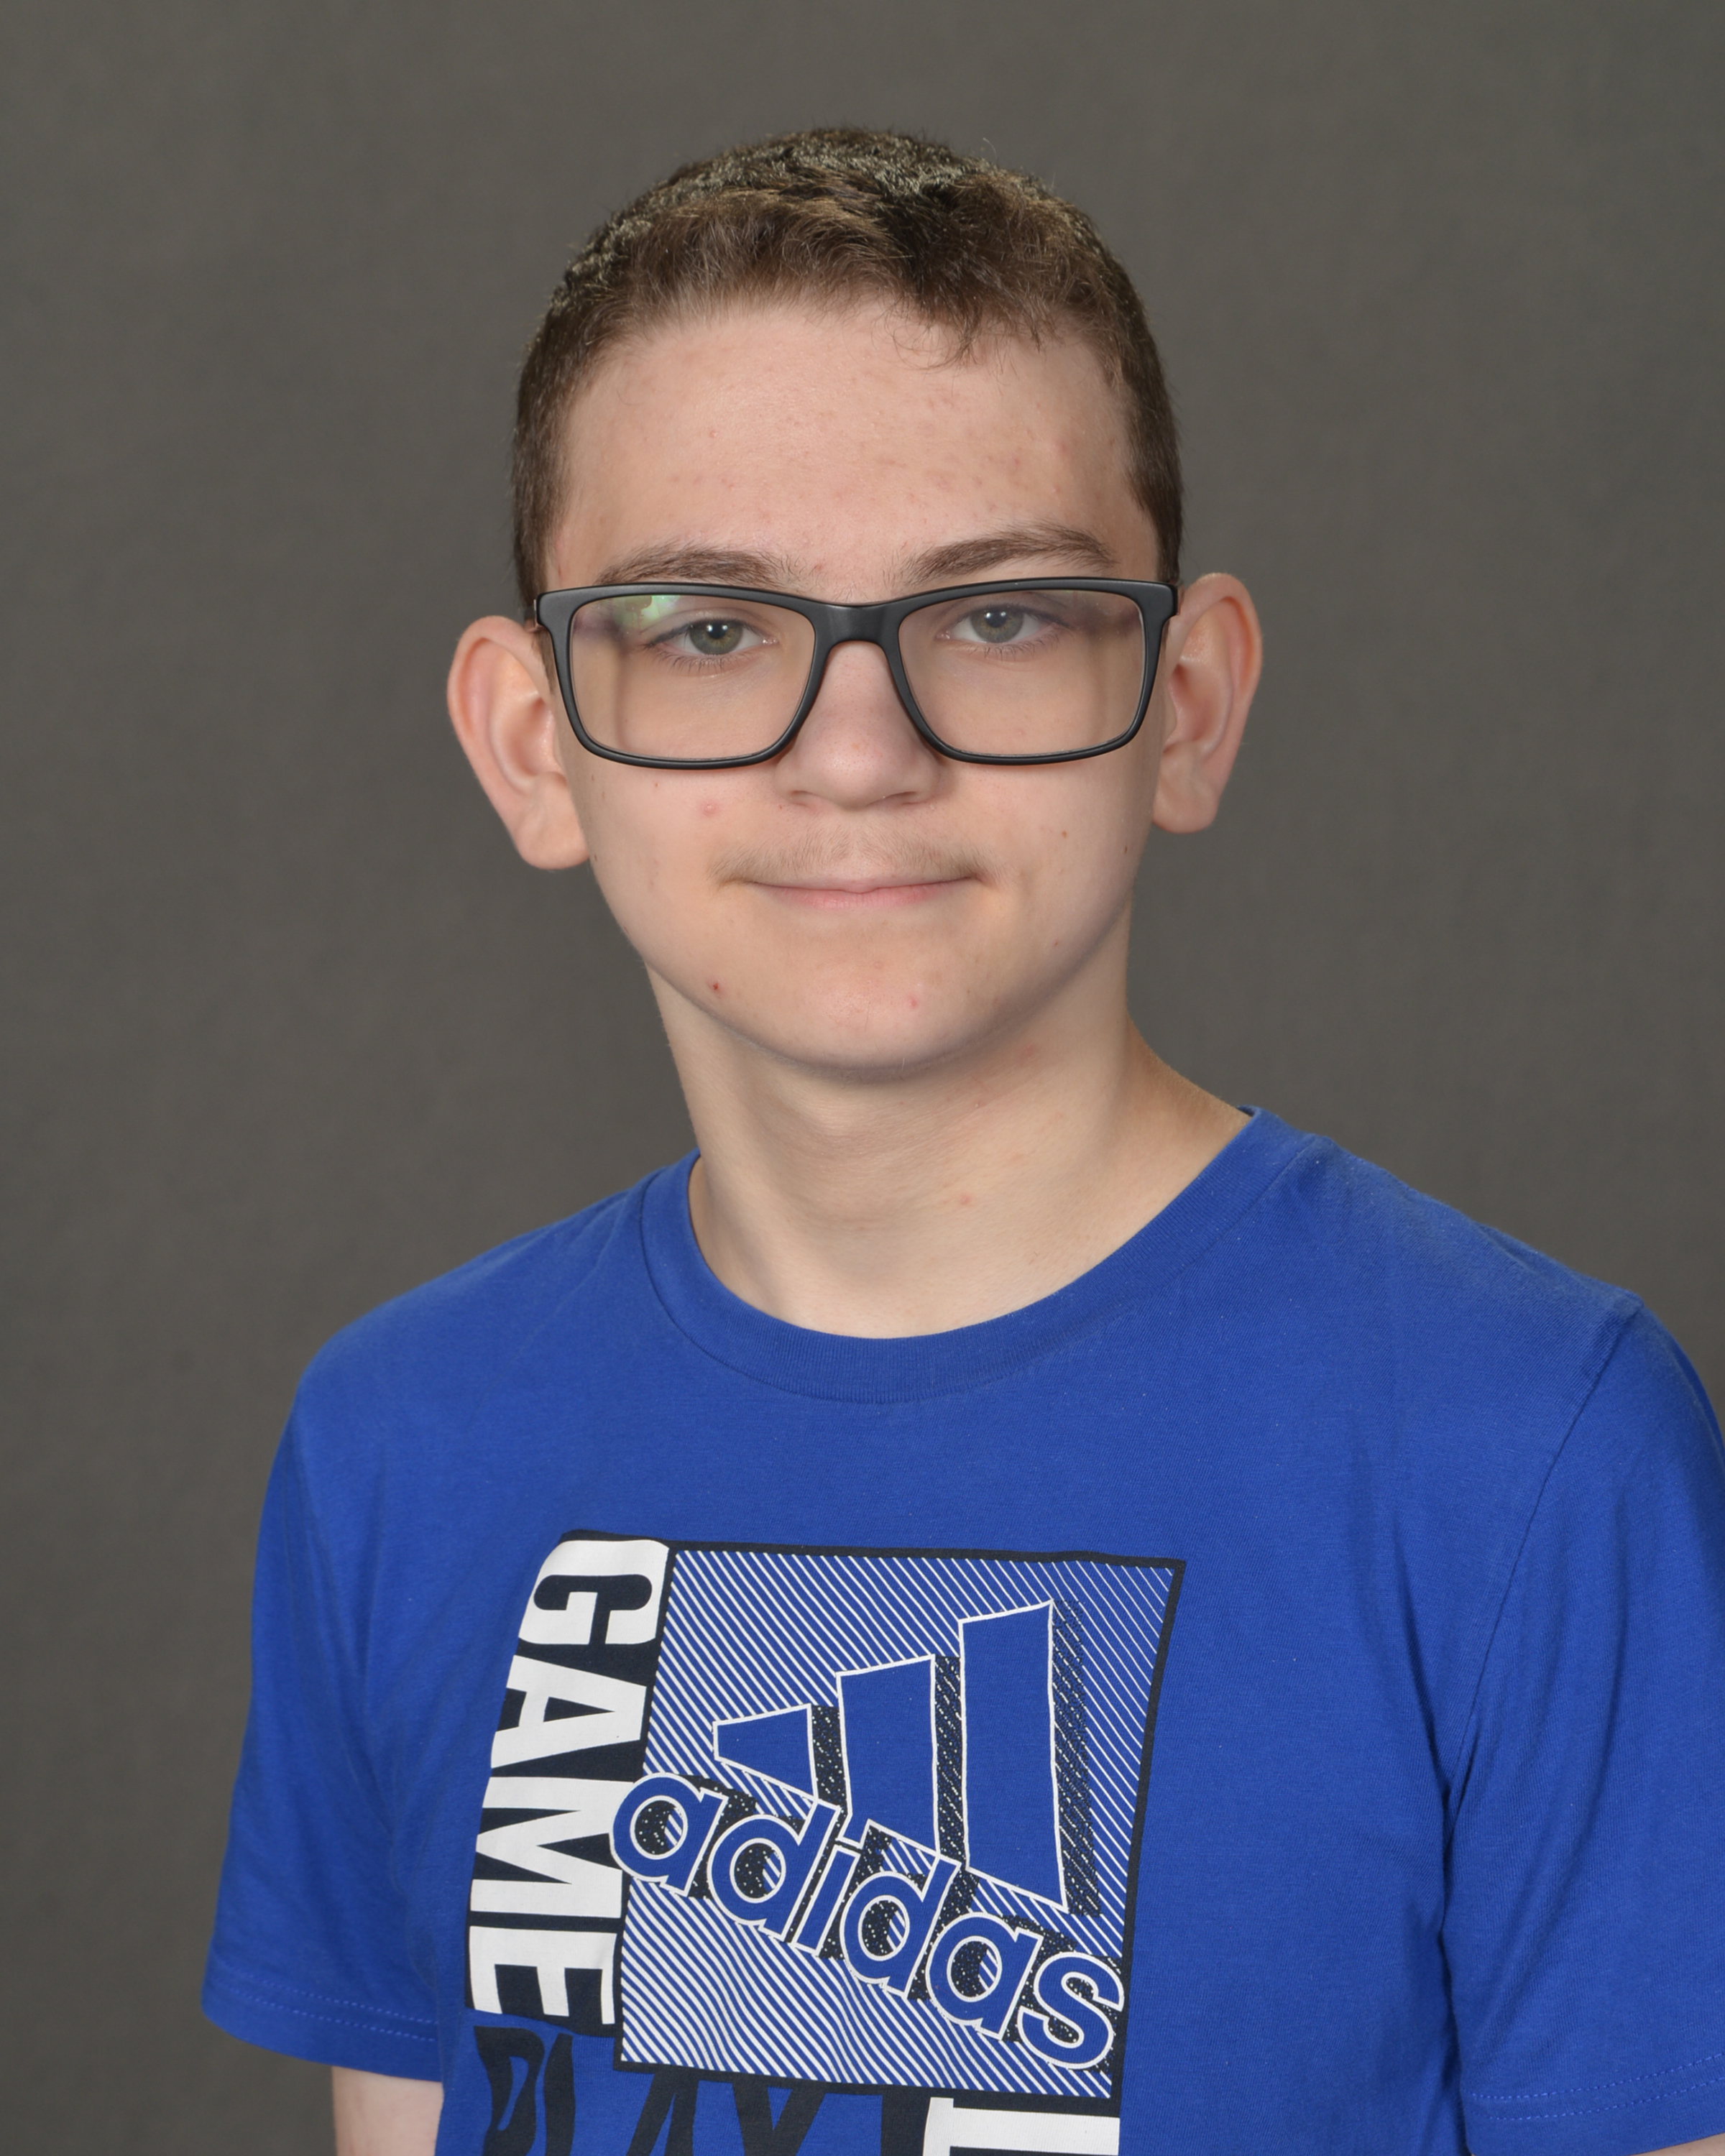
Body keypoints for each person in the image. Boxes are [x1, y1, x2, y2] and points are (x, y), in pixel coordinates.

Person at [203, 129, 1725, 2156]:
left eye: (999, 618)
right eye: (712, 628)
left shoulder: (1528, 1456)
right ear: (532, 742)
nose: (860, 755)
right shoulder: (399, 1444)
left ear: (1186, 707)